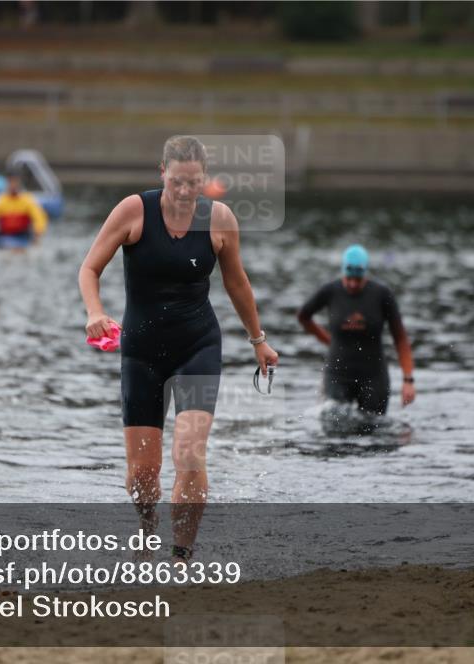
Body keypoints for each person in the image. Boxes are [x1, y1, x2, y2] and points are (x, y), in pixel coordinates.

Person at [78, 136, 278, 561]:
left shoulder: (219, 218)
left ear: (204, 179)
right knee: (143, 473)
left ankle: (182, 554)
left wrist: (258, 341)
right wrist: (94, 312)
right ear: (162, 173)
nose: (185, 191)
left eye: (193, 183)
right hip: (141, 352)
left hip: (197, 346)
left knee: (189, 451)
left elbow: (237, 283)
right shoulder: (134, 210)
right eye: (177, 182)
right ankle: (148, 525)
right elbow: (90, 268)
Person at [298, 244, 415, 416]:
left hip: (374, 377)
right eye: (349, 278)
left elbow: (400, 338)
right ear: (343, 272)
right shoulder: (330, 291)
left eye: (358, 279)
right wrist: (327, 340)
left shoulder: (382, 295)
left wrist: (408, 380)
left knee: (373, 430)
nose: (353, 284)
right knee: (334, 426)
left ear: (365, 274)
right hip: (337, 375)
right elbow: (303, 316)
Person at [0, 174, 48, 247]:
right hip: (3, 234)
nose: (13, 185)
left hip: (23, 235)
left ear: (19, 184)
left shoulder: (28, 200)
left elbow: (39, 217)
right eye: (11, 183)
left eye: (15, 182)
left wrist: (38, 232)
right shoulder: (0, 201)